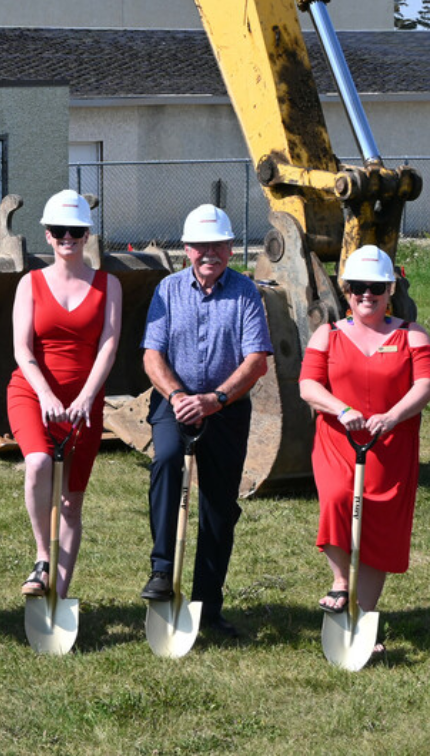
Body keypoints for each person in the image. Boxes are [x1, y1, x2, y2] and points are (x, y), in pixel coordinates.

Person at [140, 205, 271, 638]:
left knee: (219, 505)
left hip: (226, 408)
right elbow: (152, 354)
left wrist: (214, 400)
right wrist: (178, 396)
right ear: (187, 250)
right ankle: (162, 572)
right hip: (173, 403)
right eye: (200, 246)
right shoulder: (168, 290)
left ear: (231, 250)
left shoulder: (246, 293)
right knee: (167, 462)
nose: (208, 253)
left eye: (217, 245)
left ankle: (207, 605)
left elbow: (256, 362)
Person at [298, 246, 430, 634]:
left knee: (380, 522)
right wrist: (341, 410)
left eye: (376, 286)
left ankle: (364, 614)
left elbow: (425, 383)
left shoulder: (412, 335)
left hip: (391, 443)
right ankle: (341, 583)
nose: (366, 294)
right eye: (358, 286)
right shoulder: (327, 335)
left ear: (390, 289)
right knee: (338, 499)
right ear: (346, 291)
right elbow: (308, 384)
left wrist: (393, 417)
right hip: (338, 441)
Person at [8, 190, 122, 599]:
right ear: (47, 235)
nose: (67, 237)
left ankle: (58, 592)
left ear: (87, 234)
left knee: (72, 501)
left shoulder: (109, 285)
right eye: (59, 231)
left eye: (75, 230)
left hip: (84, 404)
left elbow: (108, 345)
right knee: (38, 463)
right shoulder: (30, 283)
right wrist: (46, 395)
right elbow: (22, 348)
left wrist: (86, 398)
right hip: (33, 392)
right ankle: (42, 556)